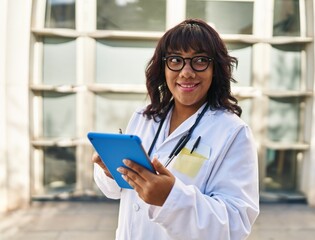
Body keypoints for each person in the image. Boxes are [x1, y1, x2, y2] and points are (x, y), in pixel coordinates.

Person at [92, 18, 259, 240]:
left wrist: (170, 198)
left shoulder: (233, 132)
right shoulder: (144, 118)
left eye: (199, 60)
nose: (186, 72)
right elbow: (116, 192)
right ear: (163, 67)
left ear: (215, 69)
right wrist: (110, 171)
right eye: (175, 60)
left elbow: (235, 224)